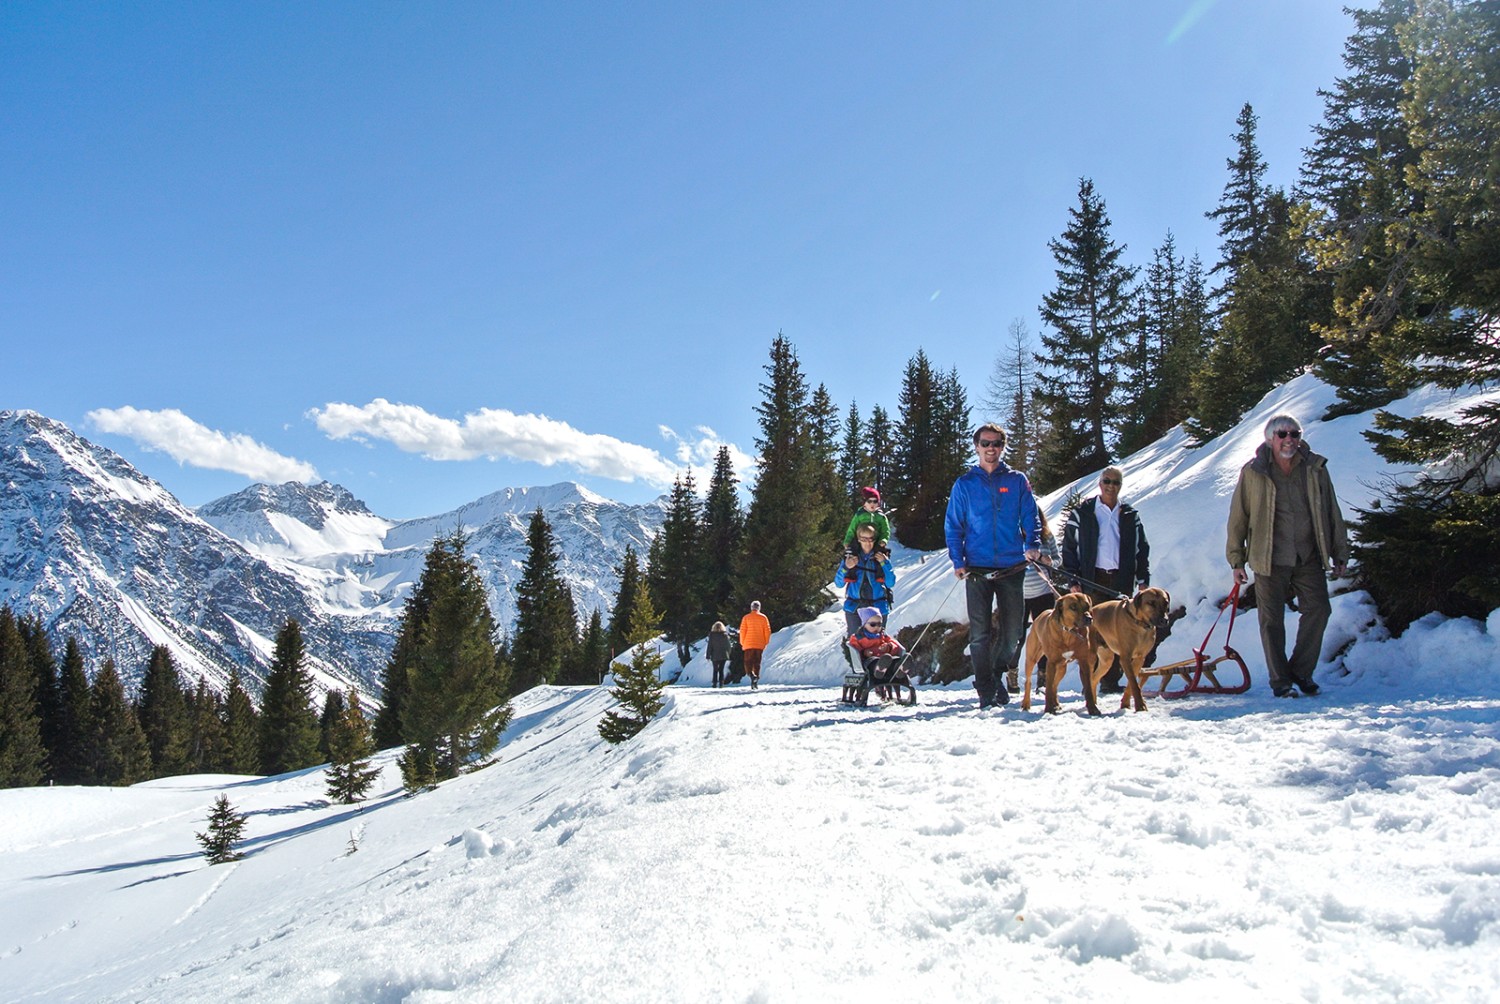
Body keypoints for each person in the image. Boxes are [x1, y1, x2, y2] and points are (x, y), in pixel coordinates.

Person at [1226, 414, 1349, 698]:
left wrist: (1339, 552)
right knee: (1271, 621)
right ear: (1270, 439)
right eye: (1283, 434)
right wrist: (1237, 560)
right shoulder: (1254, 471)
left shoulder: (1315, 467)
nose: (1289, 439)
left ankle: (1300, 672)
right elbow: (1238, 517)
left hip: (1308, 554)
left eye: (1295, 433)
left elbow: (1332, 510)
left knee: (1319, 609)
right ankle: (1281, 682)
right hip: (1268, 557)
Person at [944, 423, 1040, 709]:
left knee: (1013, 634)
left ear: (1003, 446)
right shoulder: (965, 484)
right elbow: (953, 525)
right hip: (977, 569)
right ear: (976, 447)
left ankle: (995, 675)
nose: (991, 448)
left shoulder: (1016, 479)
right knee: (980, 633)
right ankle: (985, 688)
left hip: (1012, 567)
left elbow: (1030, 515)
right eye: (985, 443)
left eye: (996, 443)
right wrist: (957, 560)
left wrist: (1031, 543)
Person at [1061, 465, 1151, 693]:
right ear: (1100, 483)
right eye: (1107, 481)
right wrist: (1073, 578)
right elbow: (1069, 547)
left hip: (1121, 579)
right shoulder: (1084, 513)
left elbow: (1142, 548)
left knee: (1120, 631)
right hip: (1092, 579)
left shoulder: (1130, 515)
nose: (1111, 486)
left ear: (1121, 486)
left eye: (1116, 482)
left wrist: (1142, 578)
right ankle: (1089, 682)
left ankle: (1110, 682)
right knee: (1091, 631)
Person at [1007, 502, 1062, 694]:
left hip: (1043, 593)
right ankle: (1011, 672)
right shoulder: (1012, 538)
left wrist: (1048, 561)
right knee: (1017, 637)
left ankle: (1044, 676)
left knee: (1045, 637)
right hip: (1018, 594)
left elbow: (1057, 559)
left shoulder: (1046, 537)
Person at [836, 524, 895, 641]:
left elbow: (890, 582)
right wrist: (845, 568)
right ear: (858, 539)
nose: (867, 543)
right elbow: (838, 583)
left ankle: (877, 658)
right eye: (864, 539)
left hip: (877, 606)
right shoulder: (850, 558)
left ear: (874, 539)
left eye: (870, 539)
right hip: (855, 607)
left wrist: (884, 563)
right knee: (856, 642)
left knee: (877, 641)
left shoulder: (881, 557)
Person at [846, 606, 906, 700]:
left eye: (879, 624)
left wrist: (889, 647)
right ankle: (879, 670)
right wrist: (864, 653)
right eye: (873, 624)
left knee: (893, 659)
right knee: (874, 661)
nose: (877, 627)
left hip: (887, 660)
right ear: (864, 624)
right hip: (868, 662)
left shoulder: (883, 636)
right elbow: (855, 649)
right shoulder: (858, 637)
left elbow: (895, 646)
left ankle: (901, 669)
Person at [842, 487, 892, 553]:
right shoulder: (859, 515)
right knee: (853, 552)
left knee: (879, 554)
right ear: (864, 503)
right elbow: (852, 529)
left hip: (876, 541)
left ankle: (881, 562)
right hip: (860, 541)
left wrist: (883, 540)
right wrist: (847, 541)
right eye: (869, 501)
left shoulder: (881, 516)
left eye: (875, 501)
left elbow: (885, 530)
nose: (872, 504)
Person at [738, 600, 771, 690]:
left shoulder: (746, 618)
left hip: (748, 644)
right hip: (759, 644)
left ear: (751, 608)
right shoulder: (763, 618)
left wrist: (742, 642)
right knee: (757, 662)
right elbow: (767, 630)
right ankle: (756, 677)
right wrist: (766, 641)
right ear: (759, 608)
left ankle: (751, 675)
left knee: (748, 662)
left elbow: (742, 631)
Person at [706, 621, 731, 688]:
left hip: (715, 655)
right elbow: (728, 646)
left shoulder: (712, 635)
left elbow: (710, 646)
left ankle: (714, 683)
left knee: (715, 670)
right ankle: (721, 683)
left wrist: (708, 655)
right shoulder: (725, 635)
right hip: (723, 655)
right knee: (721, 670)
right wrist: (728, 653)